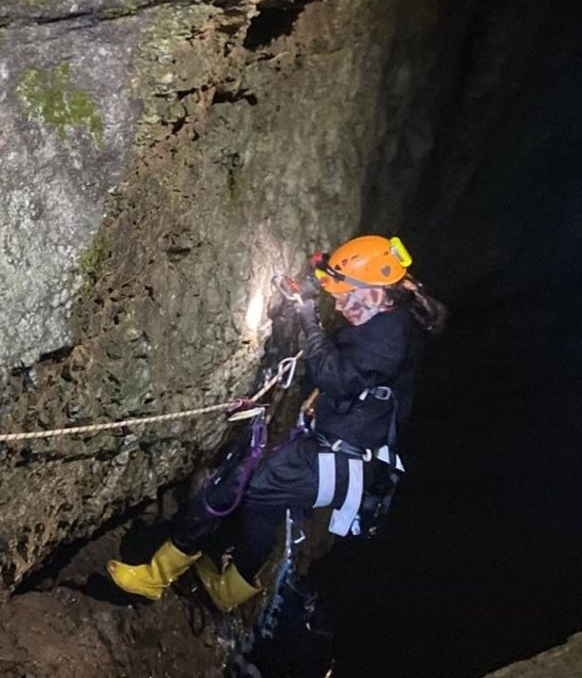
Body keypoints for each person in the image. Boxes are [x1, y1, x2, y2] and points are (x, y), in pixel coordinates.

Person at [106, 235, 448, 611]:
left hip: (339, 460)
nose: (339, 302)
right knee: (263, 507)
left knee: (235, 486)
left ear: (375, 291)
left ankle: (154, 577)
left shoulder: (388, 335)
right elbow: (337, 295)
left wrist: (308, 320)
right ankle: (229, 592)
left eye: (346, 294)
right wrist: (311, 286)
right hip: (343, 452)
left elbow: (336, 378)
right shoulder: (389, 310)